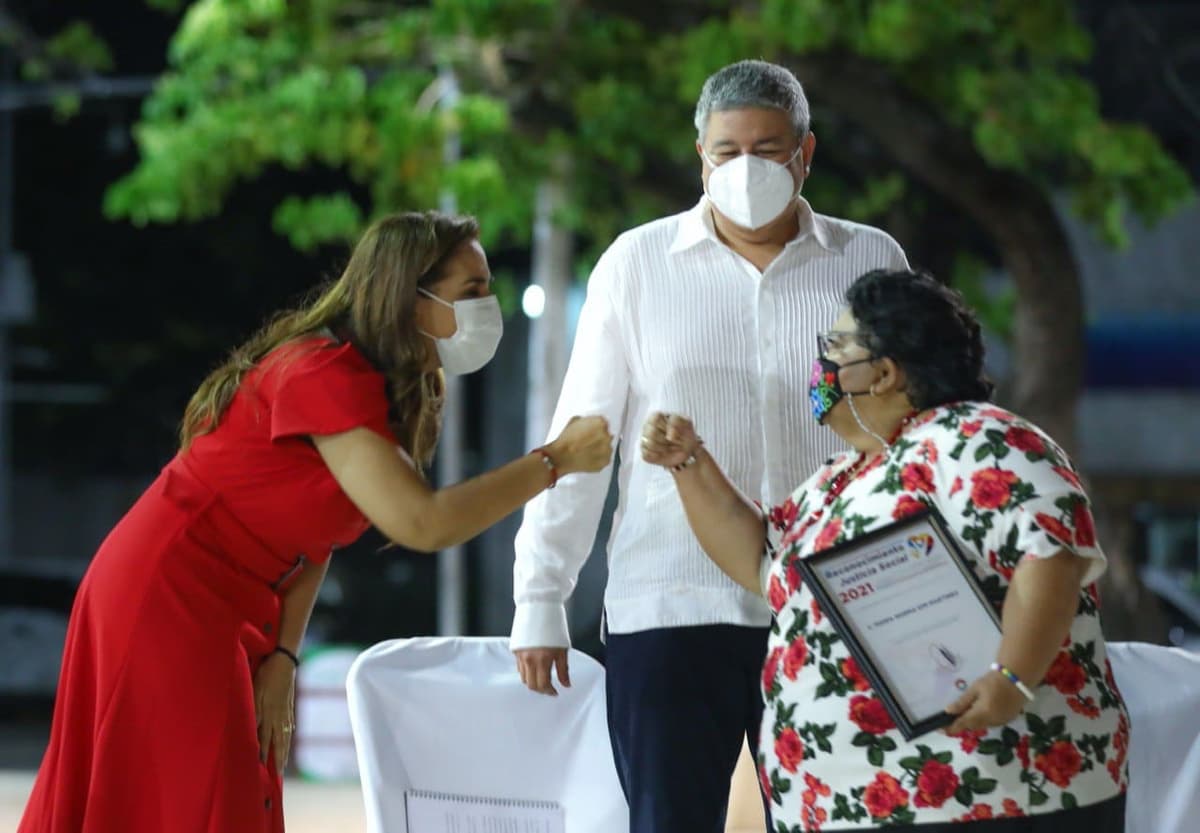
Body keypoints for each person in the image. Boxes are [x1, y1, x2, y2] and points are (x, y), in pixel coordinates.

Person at [18, 211, 614, 833]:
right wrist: (555, 461)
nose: (488, 307)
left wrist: (283, 656)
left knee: (233, 786)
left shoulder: (370, 386)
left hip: (236, 603)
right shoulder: (320, 374)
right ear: (408, 295)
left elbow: (315, 539)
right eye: (472, 291)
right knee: (183, 795)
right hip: (167, 592)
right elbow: (423, 523)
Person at [510, 60, 908, 832]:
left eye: (768, 147)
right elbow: (581, 441)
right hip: (669, 603)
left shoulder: (870, 262)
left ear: (806, 152)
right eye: (728, 152)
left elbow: (904, 429)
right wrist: (540, 597)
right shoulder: (636, 264)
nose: (747, 167)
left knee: (842, 819)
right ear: (701, 155)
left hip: (831, 606)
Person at [640, 269, 1129, 832]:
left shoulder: (982, 437)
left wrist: (1012, 678)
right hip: (850, 805)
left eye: (835, 348)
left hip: (995, 791)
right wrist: (689, 463)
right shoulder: (840, 478)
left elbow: (1051, 552)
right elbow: (760, 561)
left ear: (884, 373)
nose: (820, 365)